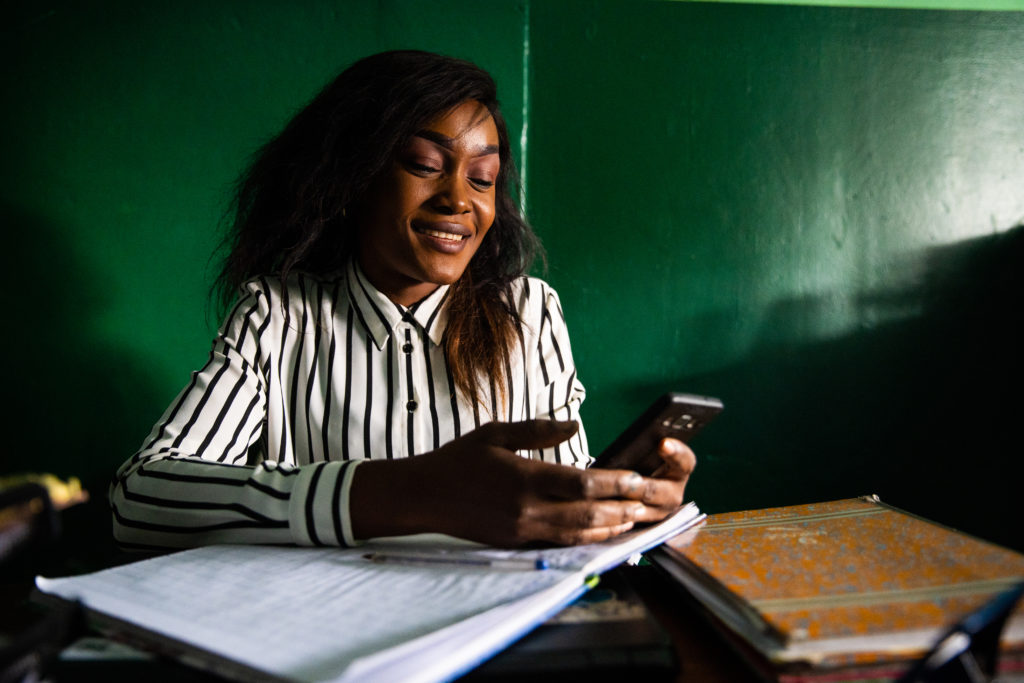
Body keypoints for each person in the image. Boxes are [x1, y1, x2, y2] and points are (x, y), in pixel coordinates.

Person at [109, 50, 695, 551]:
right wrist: (398, 492)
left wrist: (629, 503)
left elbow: (565, 498)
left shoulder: (531, 314)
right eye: (425, 166)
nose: (458, 200)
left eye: (483, 178)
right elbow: (139, 497)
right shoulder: (279, 317)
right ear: (353, 180)